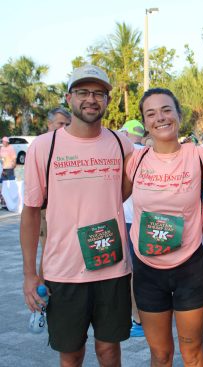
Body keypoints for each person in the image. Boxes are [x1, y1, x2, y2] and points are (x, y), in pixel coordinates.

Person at [20, 64, 134, 367]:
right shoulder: (45, 147)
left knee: (109, 351)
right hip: (64, 271)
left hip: (112, 268)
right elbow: (31, 212)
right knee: (71, 354)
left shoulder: (121, 143)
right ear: (69, 97)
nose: (91, 99)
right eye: (83, 92)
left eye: (99, 93)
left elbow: (122, 192)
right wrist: (30, 273)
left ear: (108, 101)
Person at [123, 88, 203, 366]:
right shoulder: (136, 160)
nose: (160, 118)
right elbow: (110, 199)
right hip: (147, 269)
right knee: (160, 354)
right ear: (144, 122)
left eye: (167, 110)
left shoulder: (199, 156)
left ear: (179, 115)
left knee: (193, 354)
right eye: (151, 113)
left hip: (189, 268)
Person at [118, 119, 146, 338]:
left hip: (127, 220)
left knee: (131, 271)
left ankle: (137, 318)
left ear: (126, 133)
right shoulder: (149, 152)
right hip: (148, 219)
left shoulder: (124, 154)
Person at [38, 107, 72, 275]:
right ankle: (45, 293)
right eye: (60, 124)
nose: (64, 128)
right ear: (49, 124)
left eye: (67, 124)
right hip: (46, 209)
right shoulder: (41, 146)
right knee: (49, 251)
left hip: (68, 210)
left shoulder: (71, 146)